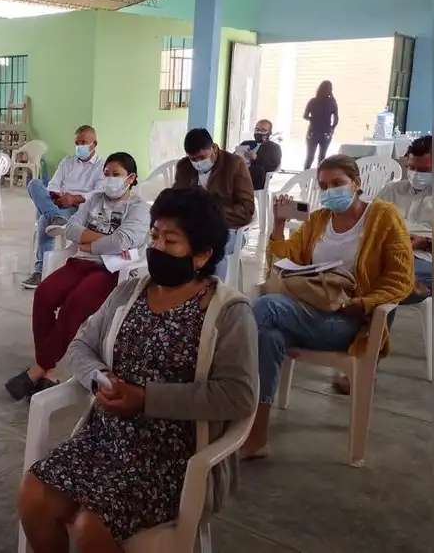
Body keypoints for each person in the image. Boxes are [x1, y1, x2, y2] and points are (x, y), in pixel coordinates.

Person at [17, 186, 257, 553]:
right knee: (33, 496)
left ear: (202, 255)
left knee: (91, 529)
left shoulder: (228, 313)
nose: (157, 247)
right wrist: (100, 380)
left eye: (171, 241)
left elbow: (237, 395)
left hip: (174, 456)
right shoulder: (129, 293)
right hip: (105, 439)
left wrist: (147, 399)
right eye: (155, 235)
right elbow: (81, 346)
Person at [240, 155, 413, 459]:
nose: (330, 191)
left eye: (337, 183)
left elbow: (401, 279)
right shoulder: (319, 219)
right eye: (323, 186)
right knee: (268, 336)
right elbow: (282, 263)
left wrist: (363, 303)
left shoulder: (384, 217)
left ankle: (232, 404)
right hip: (306, 312)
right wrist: (279, 224)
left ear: (356, 183)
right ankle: (257, 436)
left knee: (266, 308)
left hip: (348, 322)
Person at [5, 152, 149, 401]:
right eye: (106, 174)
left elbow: (124, 240)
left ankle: (38, 368)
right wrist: (100, 242)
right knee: (44, 294)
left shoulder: (139, 209)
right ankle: (49, 372)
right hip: (80, 262)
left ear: (131, 178)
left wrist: (90, 245)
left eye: (116, 174)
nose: (110, 179)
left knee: (76, 303)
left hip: (109, 269)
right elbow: (71, 227)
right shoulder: (94, 200)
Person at [22, 124, 104, 289]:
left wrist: (73, 199)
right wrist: (57, 195)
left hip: (79, 209)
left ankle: (40, 272)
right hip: (58, 203)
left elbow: (98, 194)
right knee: (34, 184)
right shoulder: (67, 162)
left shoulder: (101, 166)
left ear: (94, 144)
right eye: (77, 143)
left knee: (44, 219)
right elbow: (53, 184)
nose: (79, 147)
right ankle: (55, 215)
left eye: (83, 143)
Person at [174, 128, 255, 281]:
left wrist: (210, 214)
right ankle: (182, 288)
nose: (198, 163)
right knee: (174, 245)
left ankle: (214, 290)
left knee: (213, 250)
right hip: (193, 227)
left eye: (202, 157)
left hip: (229, 228)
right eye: (193, 159)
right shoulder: (184, 167)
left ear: (214, 148)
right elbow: (176, 198)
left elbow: (246, 209)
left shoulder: (235, 164)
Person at [376, 134, 432, 300]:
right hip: (387, 253)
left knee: (387, 278)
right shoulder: (391, 190)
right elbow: (370, 224)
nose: (416, 174)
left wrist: (425, 243)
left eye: (424, 170)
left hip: (427, 259)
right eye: (412, 168)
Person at [237, 119, 282, 190]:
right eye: (257, 129)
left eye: (263, 130)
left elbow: (273, 166)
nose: (259, 132)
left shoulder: (274, 147)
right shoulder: (246, 143)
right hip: (238, 172)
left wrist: (256, 158)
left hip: (256, 177)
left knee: (258, 170)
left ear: (269, 132)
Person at [303, 80, 339, 170]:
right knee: (322, 157)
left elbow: (305, 116)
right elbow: (336, 118)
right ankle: (320, 176)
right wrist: (332, 128)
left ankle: (305, 175)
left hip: (313, 131)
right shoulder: (332, 102)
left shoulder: (313, 101)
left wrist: (313, 119)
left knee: (310, 157)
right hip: (326, 132)